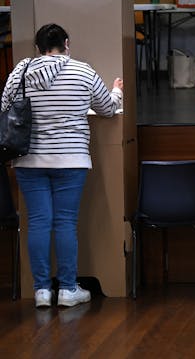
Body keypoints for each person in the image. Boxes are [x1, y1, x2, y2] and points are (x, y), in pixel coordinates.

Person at [0, 23, 123, 308]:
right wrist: (116, 92)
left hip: (29, 159)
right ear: (66, 43)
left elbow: (5, 104)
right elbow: (106, 108)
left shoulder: (21, 71)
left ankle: (42, 290)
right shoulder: (82, 71)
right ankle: (68, 289)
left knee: (38, 222)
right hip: (71, 158)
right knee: (66, 221)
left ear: (37, 47)